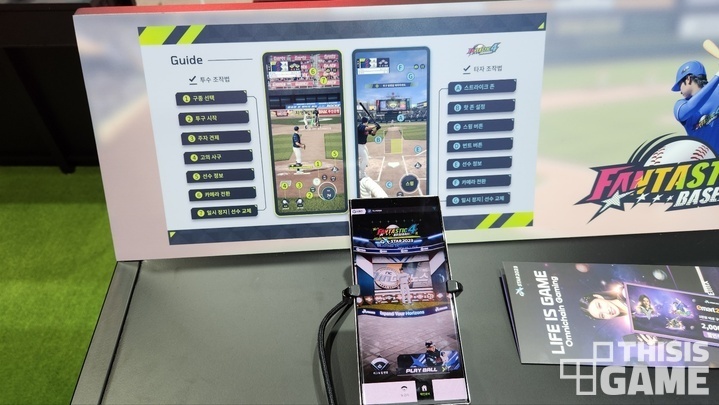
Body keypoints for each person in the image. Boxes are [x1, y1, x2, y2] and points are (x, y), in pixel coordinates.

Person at [672, 60, 719, 152]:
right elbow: (686, 111)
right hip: (705, 160)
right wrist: (717, 76)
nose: (680, 91)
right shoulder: (680, 105)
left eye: (680, 84)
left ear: (688, 79)